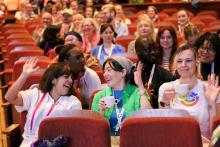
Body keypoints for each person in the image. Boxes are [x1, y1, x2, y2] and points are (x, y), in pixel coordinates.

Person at [5, 58, 82, 146]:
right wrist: (24, 75)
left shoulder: (73, 103)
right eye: (66, 77)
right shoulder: (35, 94)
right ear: (53, 80)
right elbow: (9, 97)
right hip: (28, 143)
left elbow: (74, 133)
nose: (70, 81)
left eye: (71, 78)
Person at [158, 46, 220, 138]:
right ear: (175, 65)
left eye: (188, 60)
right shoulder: (166, 88)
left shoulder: (210, 88)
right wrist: (165, 102)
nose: (183, 65)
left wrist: (211, 102)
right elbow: (164, 128)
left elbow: (216, 133)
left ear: (196, 63)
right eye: (179, 61)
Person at [92, 56, 152, 135]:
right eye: (104, 71)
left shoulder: (137, 93)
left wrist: (140, 86)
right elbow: (94, 128)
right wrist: (102, 111)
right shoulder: (99, 96)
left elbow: (148, 118)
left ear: (123, 73)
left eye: (109, 70)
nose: (105, 74)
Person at [130, 37, 174, 108]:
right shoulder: (129, 75)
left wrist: (152, 97)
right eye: (148, 50)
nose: (153, 52)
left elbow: (171, 104)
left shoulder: (166, 76)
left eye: (154, 49)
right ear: (138, 53)